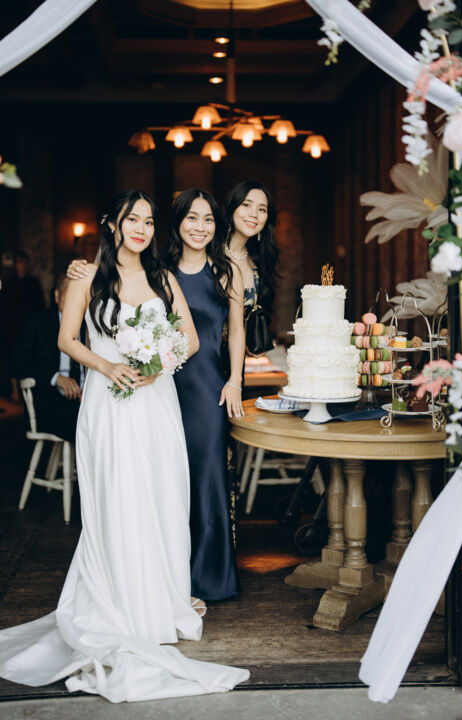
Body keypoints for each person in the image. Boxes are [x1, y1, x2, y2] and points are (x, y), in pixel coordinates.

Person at [0, 190, 249, 701]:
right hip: (109, 404)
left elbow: (190, 339)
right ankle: (120, 603)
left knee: (162, 496)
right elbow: (67, 340)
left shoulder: (163, 277)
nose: (141, 228)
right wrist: (108, 365)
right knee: (118, 498)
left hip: (156, 402)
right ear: (112, 224)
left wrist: (158, 364)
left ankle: (161, 601)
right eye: (131, 219)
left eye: (149, 221)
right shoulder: (87, 277)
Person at [164, 189, 245, 606]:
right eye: (192, 218)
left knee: (209, 477)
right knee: (167, 479)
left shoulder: (227, 271)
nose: (200, 227)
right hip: (161, 388)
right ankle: (169, 576)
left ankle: (210, 576)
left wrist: (235, 381)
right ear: (178, 221)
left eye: (208, 219)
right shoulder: (158, 271)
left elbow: (237, 331)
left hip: (208, 389)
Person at [10, 275, 83, 441]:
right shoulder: (38, 323)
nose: (74, 301)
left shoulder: (89, 326)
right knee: (88, 422)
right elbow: (15, 364)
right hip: (52, 402)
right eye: (69, 293)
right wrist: (55, 378)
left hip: (85, 400)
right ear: (57, 295)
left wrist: (89, 387)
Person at [223, 180, 279, 323]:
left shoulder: (258, 262)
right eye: (246, 205)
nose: (254, 214)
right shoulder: (210, 253)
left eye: (262, 209)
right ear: (232, 208)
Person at [1, 249, 45, 400]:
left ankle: (30, 387)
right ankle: (14, 390)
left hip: (30, 325)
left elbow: (40, 304)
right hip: (12, 326)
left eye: (24, 262)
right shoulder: (8, 282)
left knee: (30, 355)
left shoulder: (33, 282)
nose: (22, 265)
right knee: (12, 355)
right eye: (19, 262)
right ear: (15, 264)